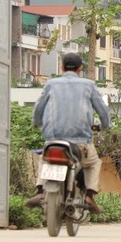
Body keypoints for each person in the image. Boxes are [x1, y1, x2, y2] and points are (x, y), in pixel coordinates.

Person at [26, 52, 110, 214]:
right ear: (81, 68)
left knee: (45, 159)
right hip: (80, 142)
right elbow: (103, 111)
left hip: (53, 140)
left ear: (62, 67)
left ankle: (41, 191)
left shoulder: (51, 84)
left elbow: (38, 109)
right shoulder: (89, 85)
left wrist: (38, 124)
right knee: (93, 163)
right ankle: (90, 195)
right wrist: (104, 126)